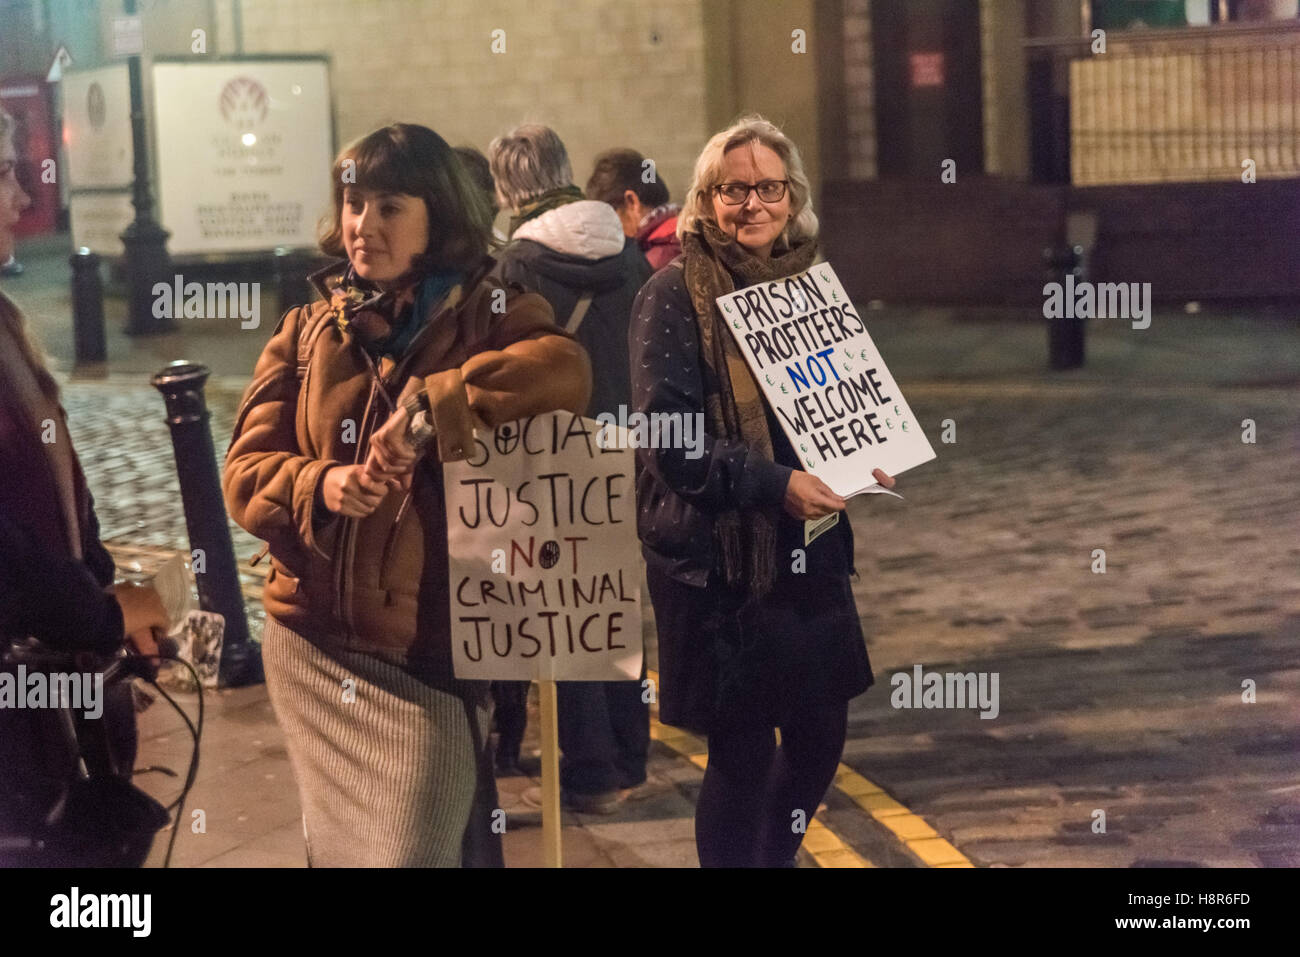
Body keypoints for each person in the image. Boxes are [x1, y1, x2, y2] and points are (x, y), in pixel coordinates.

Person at [222, 123, 591, 867]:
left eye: (389, 207)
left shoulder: (487, 310)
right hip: (311, 645)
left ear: (438, 216)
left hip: (425, 656)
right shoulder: (306, 330)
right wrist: (322, 483)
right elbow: (245, 472)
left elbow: (564, 370)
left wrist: (434, 406)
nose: (363, 226)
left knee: (407, 851)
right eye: (354, 205)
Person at [629, 114, 896, 867]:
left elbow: (841, 404)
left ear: (793, 195)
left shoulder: (809, 286)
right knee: (742, 754)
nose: (753, 203)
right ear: (705, 199)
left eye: (768, 187)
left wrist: (868, 448)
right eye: (733, 189)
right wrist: (774, 485)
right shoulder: (673, 294)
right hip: (719, 563)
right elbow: (669, 440)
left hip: (810, 553)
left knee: (820, 738)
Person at [0, 107, 168, 864]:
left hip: (44, 691)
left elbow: (54, 471)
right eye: (4, 173)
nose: (20, 198)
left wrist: (102, 585)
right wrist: (94, 614)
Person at [489, 124, 652, 815]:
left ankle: (590, 773)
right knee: (615, 601)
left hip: (551, 457)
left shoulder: (516, 267)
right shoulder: (631, 254)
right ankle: (629, 752)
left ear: (504, 187)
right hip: (629, 448)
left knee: (565, 617)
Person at [586, 147, 682, 270]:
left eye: (607, 216)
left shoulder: (654, 262)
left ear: (631, 201)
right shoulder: (685, 233)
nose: (607, 229)